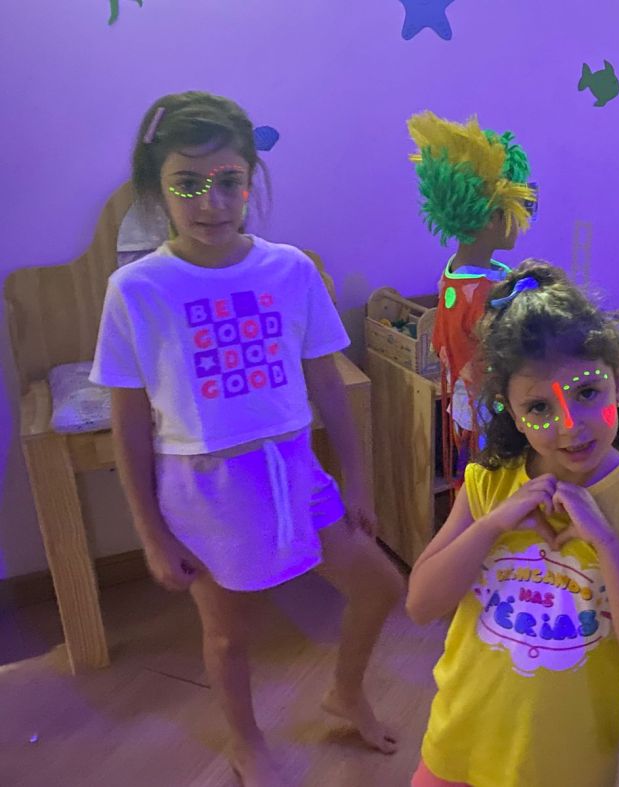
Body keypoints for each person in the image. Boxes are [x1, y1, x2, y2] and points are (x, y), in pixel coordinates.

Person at [92, 91, 404, 786]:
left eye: (228, 181)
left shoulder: (290, 270)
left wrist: (358, 483)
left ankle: (345, 691)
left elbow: (329, 385)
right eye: (187, 183)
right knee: (230, 633)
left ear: (250, 180)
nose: (210, 202)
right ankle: (245, 740)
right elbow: (129, 420)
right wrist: (150, 534)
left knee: (381, 586)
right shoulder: (137, 289)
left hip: (296, 474)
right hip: (207, 491)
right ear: (157, 189)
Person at [405, 261, 619, 787]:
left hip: (564, 769)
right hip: (457, 747)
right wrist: (492, 525)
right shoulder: (488, 484)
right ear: (513, 415)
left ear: (618, 384)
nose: (569, 426)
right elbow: (421, 604)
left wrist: (606, 541)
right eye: (539, 407)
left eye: (586, 392)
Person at [407, 110, 537, 476]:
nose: (524, 219)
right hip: (490, 422)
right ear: (493, 217)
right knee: (492, 490)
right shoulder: (484, 293)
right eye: (522, 206)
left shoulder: (455, 274)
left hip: (474, 413)